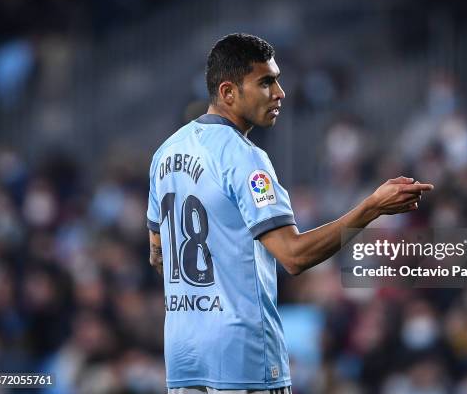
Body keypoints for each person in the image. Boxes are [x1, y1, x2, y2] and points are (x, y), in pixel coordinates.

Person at [146, 33, 433, 394]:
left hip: (184, 357)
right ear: (228, 92)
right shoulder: (244, 157)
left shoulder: (164, 154)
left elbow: (158, 255)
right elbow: (293, 256)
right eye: (265, 82)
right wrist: (371, 207)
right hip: (242, 359)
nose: (279, 92)